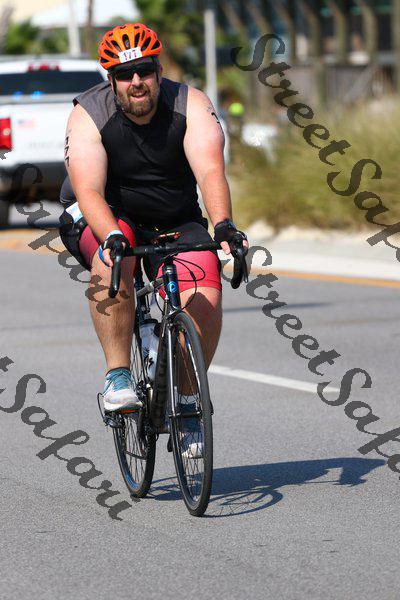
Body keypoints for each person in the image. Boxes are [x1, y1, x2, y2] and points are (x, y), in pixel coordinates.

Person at [58, 23, 248, 439]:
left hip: (173, 216)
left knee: (205, 289)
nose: (137, 82)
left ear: (159, 71)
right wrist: (111, 235)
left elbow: (210, 171)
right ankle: (117, 376)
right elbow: (88, 190)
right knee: (113, 260)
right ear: (111, 80)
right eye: (125, 75)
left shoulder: (190, 104)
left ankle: (188, 403)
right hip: (107, 213)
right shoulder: (89, 113)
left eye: (144, 70)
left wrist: (224, 226)